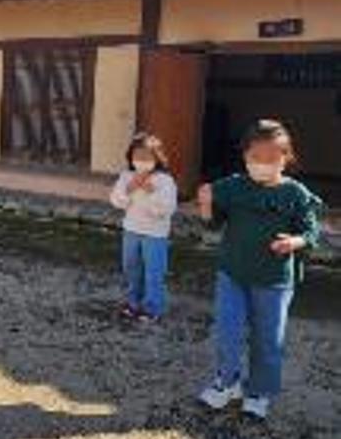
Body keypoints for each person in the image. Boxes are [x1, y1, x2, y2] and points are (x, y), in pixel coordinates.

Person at [197, 119, 322, 420]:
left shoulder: (296, 194)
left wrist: (295, 241)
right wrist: (205, 204)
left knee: (268, 339)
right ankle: (227, 382)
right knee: (228, 331)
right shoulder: (233, 185)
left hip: (274, 281)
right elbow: (212, 222)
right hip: (233, 274)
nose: (263, 165)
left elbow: (311, 232)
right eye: (256, 158)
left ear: (286, 157)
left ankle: (258, 391)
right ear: (245, 157)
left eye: (271, 159)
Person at [109, 132, 179, 322]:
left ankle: (152, 308)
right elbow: (116, 201)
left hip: (155, 235)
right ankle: (132, 303)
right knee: (131, 267)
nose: (141, 161)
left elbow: (167, 209)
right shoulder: (126, 176)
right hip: (131, 230)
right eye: (137, 157)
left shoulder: (165, 181)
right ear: (130, 158)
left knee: (153, 272)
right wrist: (129, 188)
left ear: (157, 158)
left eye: (147, 157)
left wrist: (151, 192)